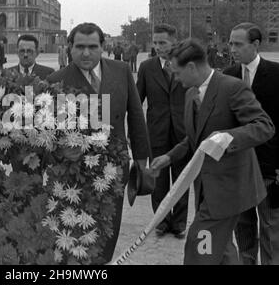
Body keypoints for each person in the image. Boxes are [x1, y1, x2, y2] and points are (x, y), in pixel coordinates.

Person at [151, 38, 275, 265]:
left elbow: (264, 126)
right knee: (224, 250)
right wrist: (169, 157)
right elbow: (195, 139)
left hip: (231, 188)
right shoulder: (191, 94)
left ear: (191, 67)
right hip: (206, 188)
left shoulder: (231, 87)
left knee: (200, 244)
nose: (175, 79)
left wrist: (228, 137)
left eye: (177, 73)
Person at [48, 22, 151, 264]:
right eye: (80, 47)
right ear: (70, 48)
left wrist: (141, 160)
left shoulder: (121, 70)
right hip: (74, 173)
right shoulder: (56, 80)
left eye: (92, 47)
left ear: (102, 47)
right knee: (76, 230)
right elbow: (49, 131)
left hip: (114, 167)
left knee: (108, 227)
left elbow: (136, 115)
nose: (86, 53)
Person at [223, 22, 279, 265]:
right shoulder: (227, 76)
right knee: (244, 227)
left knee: (271, 229)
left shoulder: (276, 75)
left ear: (255, 45)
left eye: (238, 44)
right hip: (239, 167)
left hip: (270, 168)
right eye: (230, 43)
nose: (232, 48)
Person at [137, 24, 189, 239]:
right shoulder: (147, 67)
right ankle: (161, 221)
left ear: (174, 42)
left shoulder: (186, 65)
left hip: (183, 132)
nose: (158, 47)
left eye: (162, 43)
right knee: (158, 182)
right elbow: (137, 100)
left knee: (181, 178)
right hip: (156, 131)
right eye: (155, 42)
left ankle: (179, 223)